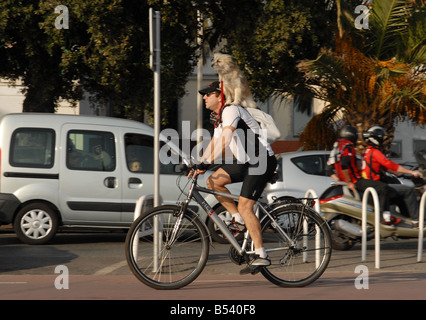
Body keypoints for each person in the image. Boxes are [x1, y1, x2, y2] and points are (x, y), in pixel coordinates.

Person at [192, 81, 277, 274]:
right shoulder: (220, 116)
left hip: (261, 160)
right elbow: (215, 143)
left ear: (219, 95)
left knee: (245, 206)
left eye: (207, 94)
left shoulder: (231, 110)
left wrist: (207, 163)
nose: (204, 97)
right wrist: (199, 164)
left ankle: (262, 255)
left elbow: (227, 140)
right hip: (246, 161)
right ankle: (238, 219)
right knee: (213, 181)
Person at [326, 125, 399, 225]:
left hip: (345, 182)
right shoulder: (348, 146)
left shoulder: (336, 147)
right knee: (383, 187)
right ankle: (386, 217)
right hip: (356, 180)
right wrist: (349, 182)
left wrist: (340, 180)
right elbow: (344, 164)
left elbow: (328, 169)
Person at [362, 126, 423, 226]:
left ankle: (406, 220)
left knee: (400, 194)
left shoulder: (366, 151)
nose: (383, 140)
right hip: (377, 188)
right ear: (377, 138)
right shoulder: (375, 152)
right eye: (382, 138)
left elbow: (381, 167)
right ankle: (417, 221)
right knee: (408, 190)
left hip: (371, 186)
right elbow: (389, 164)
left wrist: (400, 173)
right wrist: (411, 172)